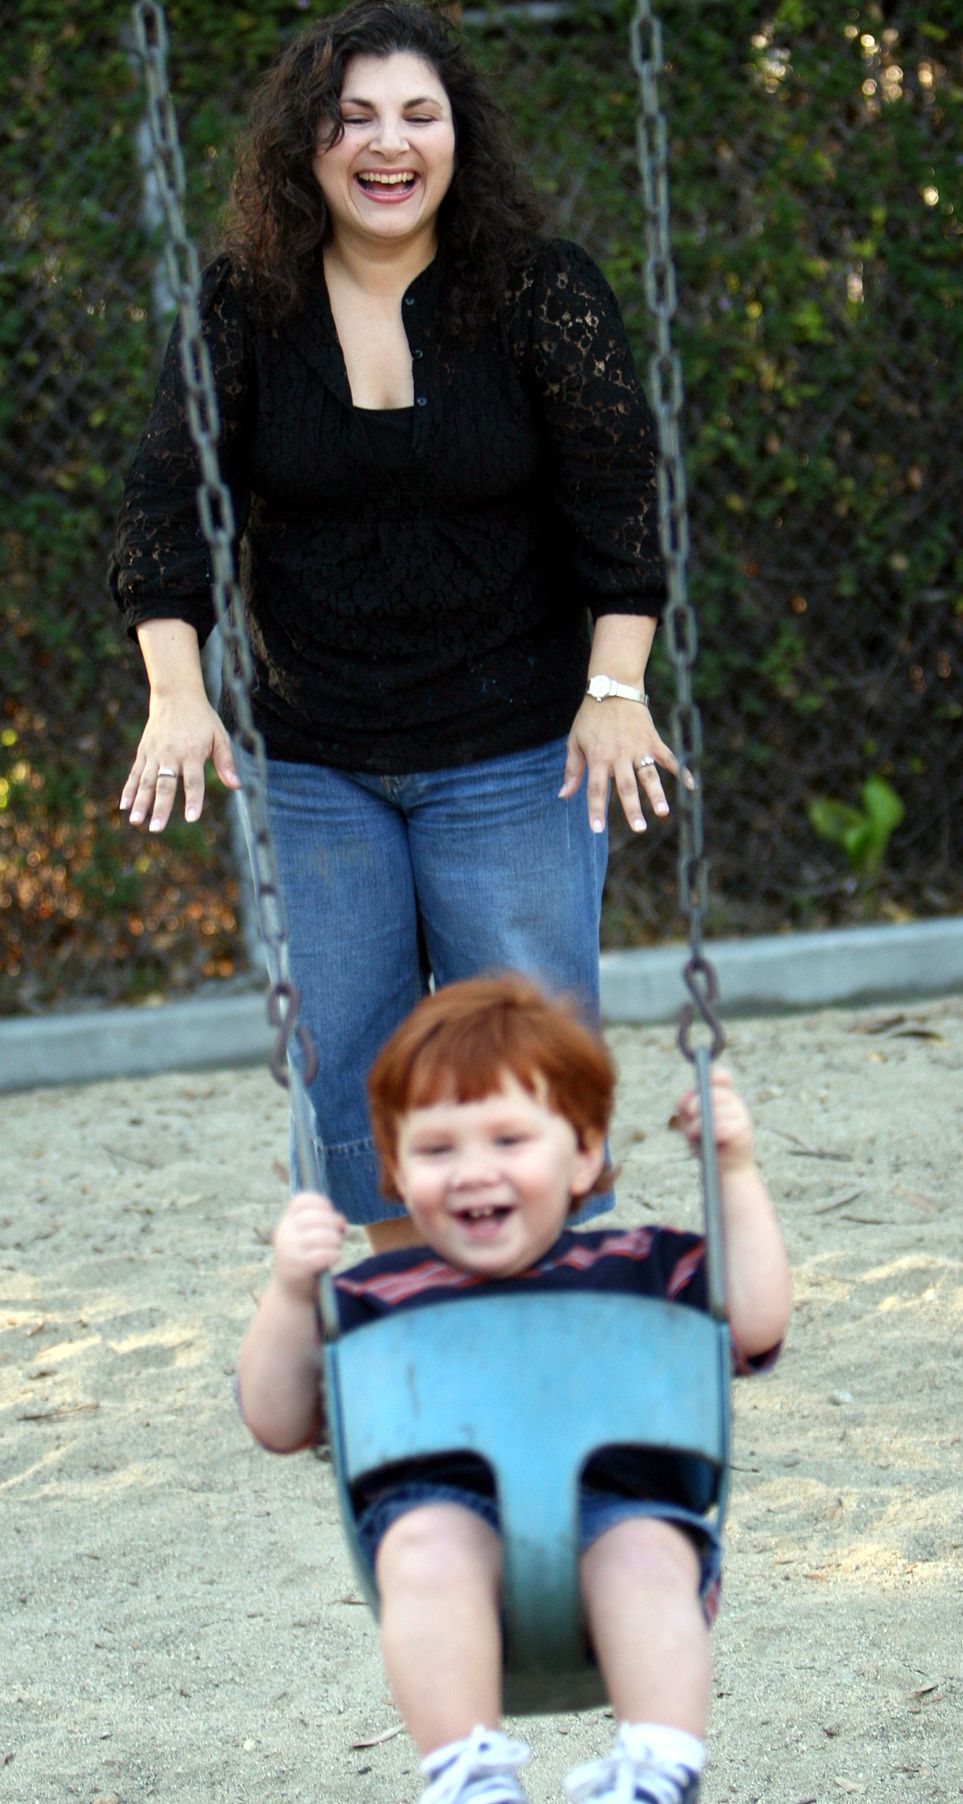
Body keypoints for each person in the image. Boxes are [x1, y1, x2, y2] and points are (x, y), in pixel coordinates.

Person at [111, 0, 680, 1249]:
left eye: (418, 114)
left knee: (525, 1054)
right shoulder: (244, 307)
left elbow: (620, 510)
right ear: (305, 146)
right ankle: (405, 1325)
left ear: (456, 137)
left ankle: (560, 1325)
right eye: (353, 116)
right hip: (318, 757)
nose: (388, 143)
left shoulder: (540, 294)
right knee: (352, 1068)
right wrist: (176, 690)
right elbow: (166, 513)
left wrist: (616, 689)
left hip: (513, 746)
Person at [237, 974, 792, 1804]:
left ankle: (655, 1770)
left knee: (649, 1554)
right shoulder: (374, 1295)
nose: (471, 1172)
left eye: (507, 1140)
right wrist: (287, 1292)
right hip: (453, 1531)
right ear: (391, 1169)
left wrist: (735, 1172)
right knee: (421, 1545)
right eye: (435, 1149)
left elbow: (750, 1324)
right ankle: (468, 1778)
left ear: (583, 1155)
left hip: (621, 1512)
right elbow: (276, 1421)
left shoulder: (639, 1264)